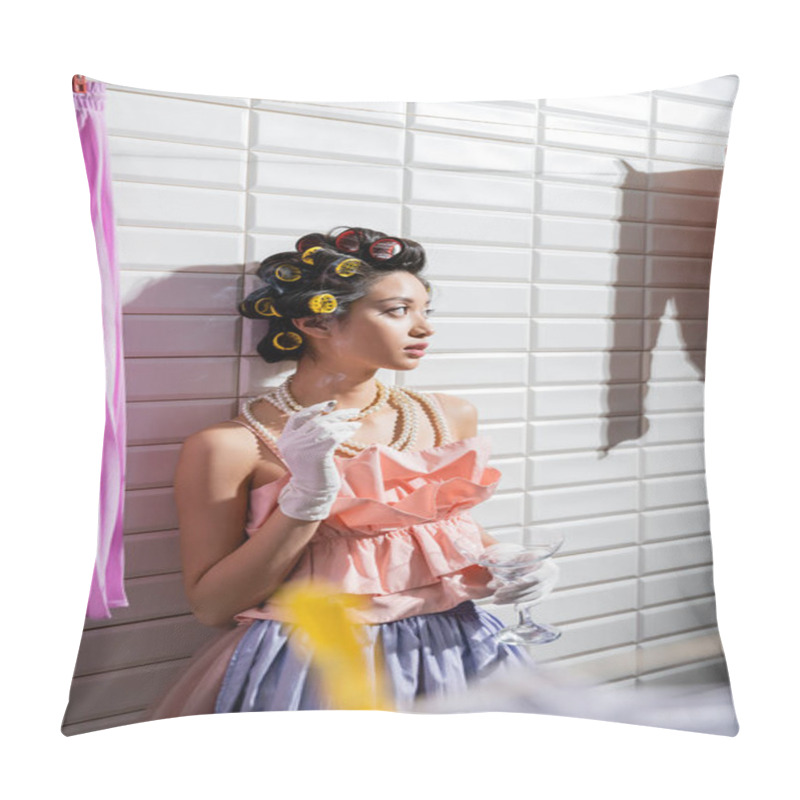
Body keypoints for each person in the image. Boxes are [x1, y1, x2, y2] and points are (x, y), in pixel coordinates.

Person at [147, 225, 557, 718]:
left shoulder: (447, 417)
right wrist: (305, 500)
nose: (424, 328)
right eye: (398, 311)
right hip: (316, 667)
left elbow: (436, 536)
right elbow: (212, 607)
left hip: (456, 653)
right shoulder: (230, 447)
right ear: (314, 322)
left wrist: (506, 559)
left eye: (425, 311)